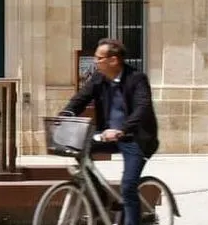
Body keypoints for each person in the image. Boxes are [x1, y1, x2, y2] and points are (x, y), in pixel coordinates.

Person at [61, 38, 159, 225]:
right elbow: (80, 99)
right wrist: (65, 114)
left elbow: (142, 108)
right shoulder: (99, 78)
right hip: (109, 137)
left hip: (136, 139)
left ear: (113, 60)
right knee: (79, 149)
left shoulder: (137, 79)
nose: (95, 62)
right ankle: (100, 198)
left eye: (99, 58)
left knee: (128, 187)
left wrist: (121, 130)